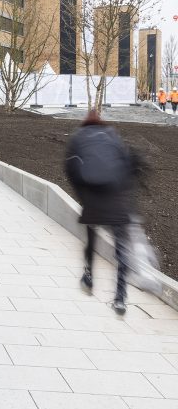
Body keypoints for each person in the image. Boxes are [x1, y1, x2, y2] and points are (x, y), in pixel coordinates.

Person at [65, 110, 140, 315]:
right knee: (122, 249)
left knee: (91, 239)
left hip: (93, 200)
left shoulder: (78, 138)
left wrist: (84, 197)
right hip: (118, 200)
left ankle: (88, 275)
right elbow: (127, 166)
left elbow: (71, 170)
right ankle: (120, 298)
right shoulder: (112, 135)